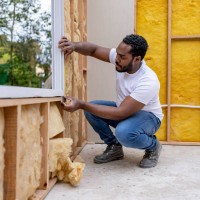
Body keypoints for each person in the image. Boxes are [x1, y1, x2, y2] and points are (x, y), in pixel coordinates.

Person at [58, 34, 164, 168]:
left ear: (137, 59)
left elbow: (120, 113)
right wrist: (73, 45)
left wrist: (81, 104)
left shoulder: (148, 81)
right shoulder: (121, 58)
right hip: (126, 111)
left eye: (122, 57)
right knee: (93, 109)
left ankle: (153, 146)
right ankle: (114, 146)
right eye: (117, 54)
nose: (117, 59)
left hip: (149, 118)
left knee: (124, 132)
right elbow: (94, 50)